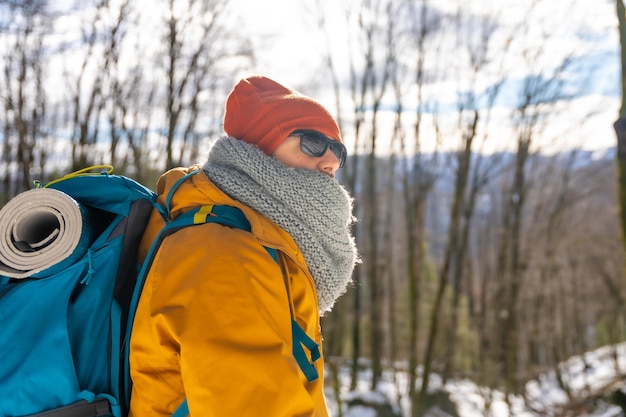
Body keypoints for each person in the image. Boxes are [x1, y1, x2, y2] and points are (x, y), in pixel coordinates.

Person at [128, 75, 359, 416]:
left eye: (337, 149)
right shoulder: (222, 252)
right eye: (311, 142)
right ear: (259, 146)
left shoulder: (259, 241)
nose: (330, 161)